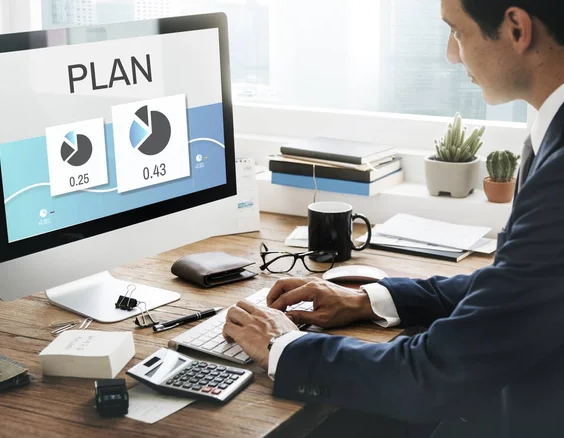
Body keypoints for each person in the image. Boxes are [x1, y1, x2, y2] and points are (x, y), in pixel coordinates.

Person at [222, 0, 564, 437]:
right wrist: (371, 300)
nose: (451, 54)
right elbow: (516, 285)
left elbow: (435, 376)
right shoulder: (550, 129)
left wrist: (283, 346)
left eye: (457, 31)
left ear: (516, 28)